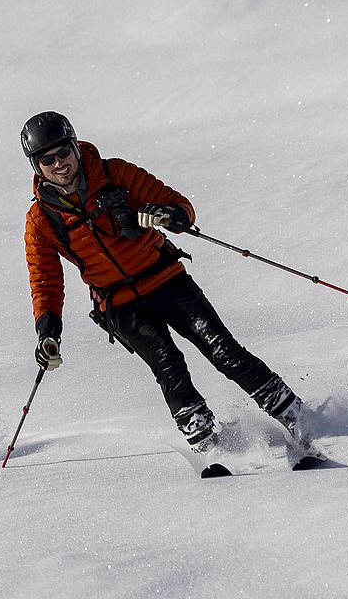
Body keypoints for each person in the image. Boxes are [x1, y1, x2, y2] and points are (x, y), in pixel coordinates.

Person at [20, 110, 312, 462]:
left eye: (63, 152)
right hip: (119, 304)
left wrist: (169, 215)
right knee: (167, 364)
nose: (59, 164)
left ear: (75, 147)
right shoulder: (41, 220)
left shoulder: (116, 174)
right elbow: (45, 278)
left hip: (166, 279)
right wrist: (48, 329)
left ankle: (294, 414)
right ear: (36, 167)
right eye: (47, 160)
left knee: (222, 349)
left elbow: (181, 206)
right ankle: (207, 443)